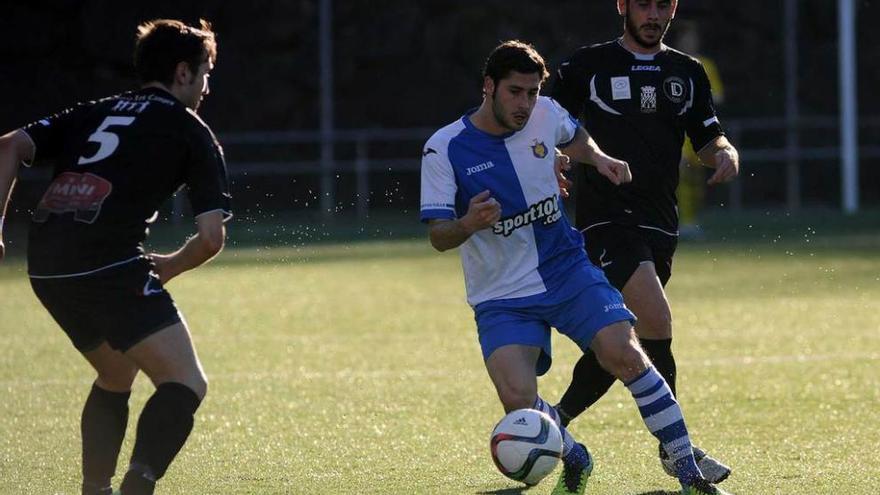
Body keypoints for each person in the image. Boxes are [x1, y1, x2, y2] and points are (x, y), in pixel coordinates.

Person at [421, 39, 729, 495]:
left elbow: (574, 134)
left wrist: (598, 158)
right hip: (501, 294)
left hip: (566, 270)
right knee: (517, 400)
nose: (526, 104)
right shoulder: (444, 148)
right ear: (488, 87)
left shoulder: (546, 113)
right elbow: (438, 235)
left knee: (625, 351)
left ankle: (688, 472)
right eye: (515, 92)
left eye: (532, 92)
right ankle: (574, 454)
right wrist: (468, 222)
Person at [0, 19, 230, 495]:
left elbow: (9, 146)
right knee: (186, 382)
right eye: (206, 73)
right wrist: (170, 265)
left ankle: (95, 488)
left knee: (116, 371)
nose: (207, 87)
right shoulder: (191, 130)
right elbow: (210, 238)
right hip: (108, 264)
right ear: (183, 72)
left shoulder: (96, 111)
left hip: (45, 265)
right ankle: (136, 488)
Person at [550, 0, 740, 484]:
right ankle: (678, 451)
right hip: (606, 219)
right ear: (623, 6)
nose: (654, 14)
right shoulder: (586, 66)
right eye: (644, 5)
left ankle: (552, 423)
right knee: (655, 317)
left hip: (660, 222)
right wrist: (554, 157)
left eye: (664, 5)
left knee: (623, 341)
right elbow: (546, 123)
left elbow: (706, 135)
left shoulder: (688, 72)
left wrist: (724, 151)